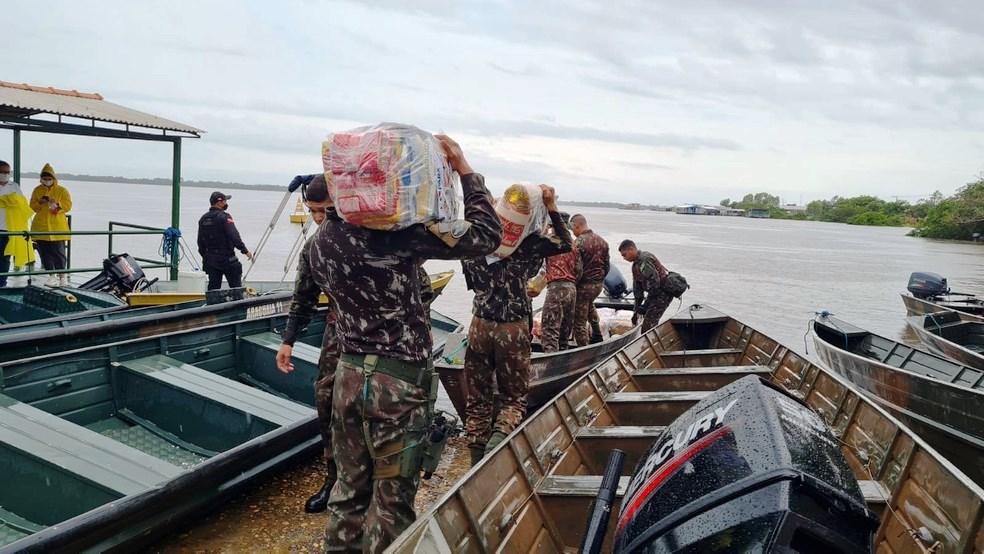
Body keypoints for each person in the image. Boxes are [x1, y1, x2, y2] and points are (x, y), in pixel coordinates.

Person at [311, 134, 502, 553]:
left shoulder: (321, 242)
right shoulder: (396, 236)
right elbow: (487, 236)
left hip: (347, 376)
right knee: (391, 502)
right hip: (397, 383)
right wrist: (465, 170)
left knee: (348, 493)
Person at [462, 187, 573, 466]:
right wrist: (550, 206)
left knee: (478, 395)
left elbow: (471, 280)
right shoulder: (530, 244)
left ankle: (475, 458)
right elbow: (565, 242)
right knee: (513, 398)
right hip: (512, 326)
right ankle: (494, 449)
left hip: (480, 323)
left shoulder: (476, 241)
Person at [274, 174, 338, 514]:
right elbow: (303, 298)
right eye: (312, 212)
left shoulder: (375, 241)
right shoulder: (314, 249)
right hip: (338, 333)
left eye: (322, 211)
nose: (317, 219)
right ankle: (334, 478)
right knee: (326, 402)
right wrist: (289, 341)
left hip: (380, 338)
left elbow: (421, 290)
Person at [536, 212, 581, 352]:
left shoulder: (549, 242)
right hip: (572, 289)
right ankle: (563, 358)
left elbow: (538, 267)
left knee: (549, 329)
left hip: (556, 288)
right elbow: (579, 269)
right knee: (564, 329)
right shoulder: (573, 244)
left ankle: (550, 361)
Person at [196, 191, 253, 290]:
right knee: (236, 289)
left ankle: (213, 304)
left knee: (213, 288)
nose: (226, 203)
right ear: (219, 202)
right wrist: (245, 251)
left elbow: (200, 242)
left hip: (211, 260)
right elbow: (234, 236)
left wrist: (206, 257)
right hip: (227, 259)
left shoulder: (203, 219)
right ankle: (237, 304)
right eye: (225, 201)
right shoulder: (225, 217)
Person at [29, 163, 72, 286]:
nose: (47, 181)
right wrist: (41, 203)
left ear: (54, 178)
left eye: (49, 179)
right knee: (45, 253)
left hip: (57, 227)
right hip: (41, 227)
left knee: (59, 252)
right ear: (41, 178)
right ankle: (51, 276)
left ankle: (62, 276)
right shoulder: (37, 190)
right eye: (45, 179)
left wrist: (57, 205)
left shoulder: (62, 190)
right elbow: (32, 206)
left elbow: (68, 205)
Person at [571, 214, 609, 345]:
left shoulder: (578, 242)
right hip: (598, 285)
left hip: (583, 285)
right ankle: (597, 334)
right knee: (589, 306)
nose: (573, 233)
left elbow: (577, 268)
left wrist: (573, 284)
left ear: (577, 226)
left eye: (573, 229)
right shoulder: (603, 241)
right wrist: (600, 279)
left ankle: (583, 349)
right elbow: (607, 265)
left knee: (579, 321)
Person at [619, 239, 674, 332]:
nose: (624, 258)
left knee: (649, 323)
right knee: (646, 320)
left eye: (624, 255)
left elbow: (655, 284)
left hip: (663, 293)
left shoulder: (645, 259)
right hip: (655, 294)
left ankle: (651, 343)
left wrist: (645, 305)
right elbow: (638, 292)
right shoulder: (635, 266)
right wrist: (636, 312)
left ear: (631, 249)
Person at [0, 161, 35, 286]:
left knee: (5, 257)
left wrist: (11, 202)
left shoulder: (14, 186)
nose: (4, 174)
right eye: (2, 172)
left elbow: (22, 205)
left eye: (7, 172)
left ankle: (2, 283)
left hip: (10, 228)